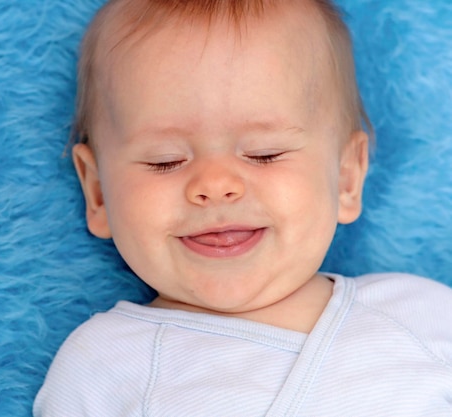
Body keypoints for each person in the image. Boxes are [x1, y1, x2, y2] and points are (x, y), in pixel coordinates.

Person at [34, 0, 452, 415]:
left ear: (344, 178)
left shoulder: (423, 315)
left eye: (264, 153)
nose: (215, 186)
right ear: (99, 192)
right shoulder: (100, 367)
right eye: (164, 160)